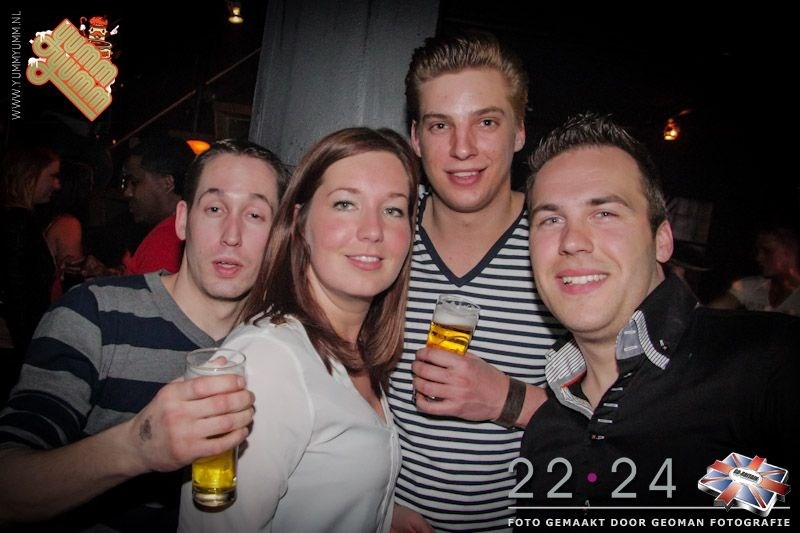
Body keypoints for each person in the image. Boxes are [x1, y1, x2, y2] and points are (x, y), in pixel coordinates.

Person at [515, 112, 797, 518]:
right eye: (551, 219)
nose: (572, 240)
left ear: (662, 240)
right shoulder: (545, 434)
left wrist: (732, 487)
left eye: (605, 213)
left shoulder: (766, 365)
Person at [0, 139, 290, 531]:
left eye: (255, 215)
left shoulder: (279, 348)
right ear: (183, 220)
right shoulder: (95, 315)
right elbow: (8, 489)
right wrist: (138, 445)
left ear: (278, 236)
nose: (231, 235)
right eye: (214, 209)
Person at [178, 127, 420, 532]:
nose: (373, 230)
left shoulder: (352, 350)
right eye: (345, 204)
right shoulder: (269, 361)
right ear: (299, 221)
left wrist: (378, 513)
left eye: (393, 210)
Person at [387, 31, 563, 532]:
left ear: (519, 131)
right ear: (416, 137)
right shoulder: (383, 234)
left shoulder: (560, 244)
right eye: (440, 125)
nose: (462, 148)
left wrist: (505, 399)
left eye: (486, 122)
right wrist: (373, 503)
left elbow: (624, 418)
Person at [81, 133, 196, 278]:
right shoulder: (187, 230)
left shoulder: (167, 240)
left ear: (167, 183)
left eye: (135, 182)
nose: (128, 193)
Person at [0, 145, 61, 405]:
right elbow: (17, 289)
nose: (57, 185)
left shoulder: (18, 219)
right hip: (14, 347)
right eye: (52, 176)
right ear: (29, 175)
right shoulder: (19, 222)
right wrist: (31, 351)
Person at [707, 224, 800, 315]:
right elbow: (708, 313)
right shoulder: (751, 286)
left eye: (767, 251)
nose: (759, 258)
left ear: (791, 251)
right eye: (758, 251)